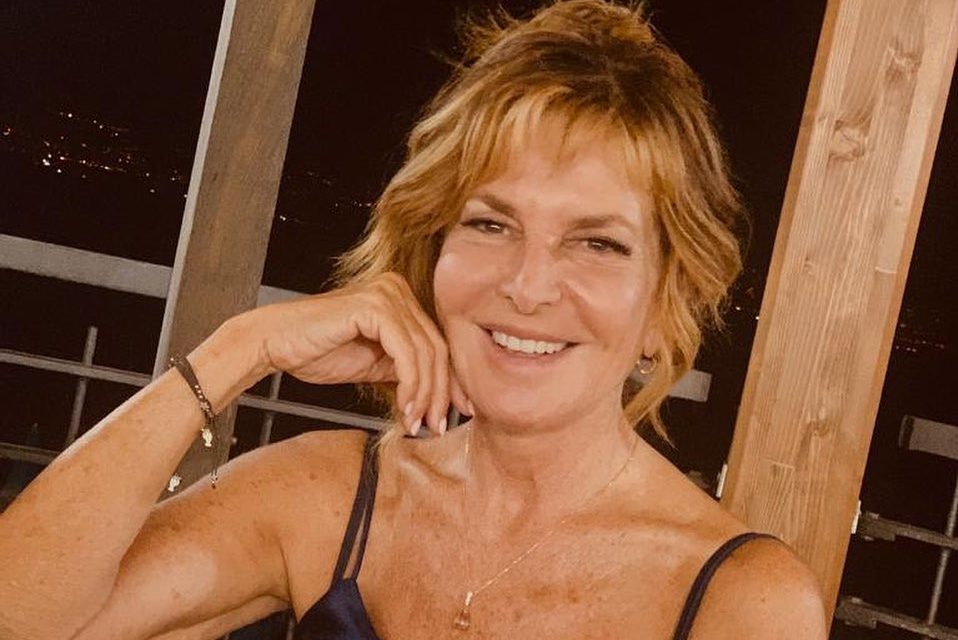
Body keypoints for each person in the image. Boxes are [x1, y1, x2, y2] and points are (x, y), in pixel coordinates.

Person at [0, 1, 828, 638]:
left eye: (597, 243)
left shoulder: (738, 598)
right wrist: (236, 350)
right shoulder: (330, 497)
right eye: (491, 224)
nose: (528, 286)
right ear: (431, 253)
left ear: (665, 304)